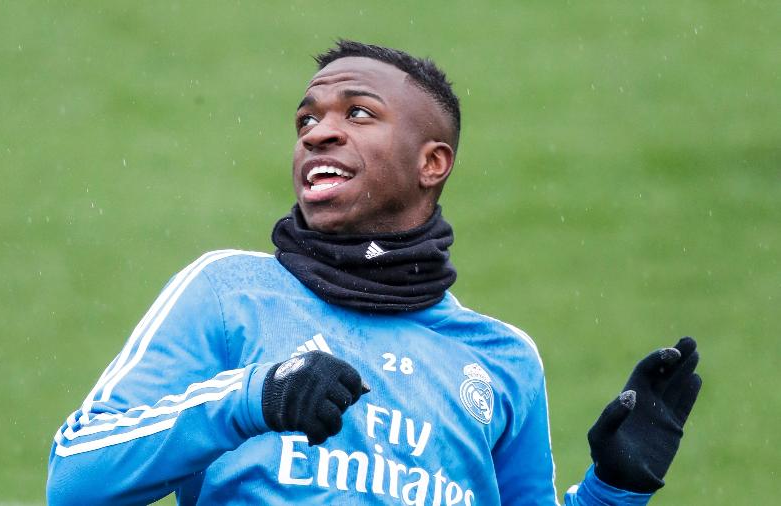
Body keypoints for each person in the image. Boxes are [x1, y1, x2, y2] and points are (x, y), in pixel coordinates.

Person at [46, 40, 701, 505]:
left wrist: (613, 493)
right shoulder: (225, 293)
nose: (317, 133)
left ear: (432, 163)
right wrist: (253, 397)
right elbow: (76, 479)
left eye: (357, 113)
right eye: (307, 118)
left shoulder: (503, 360)